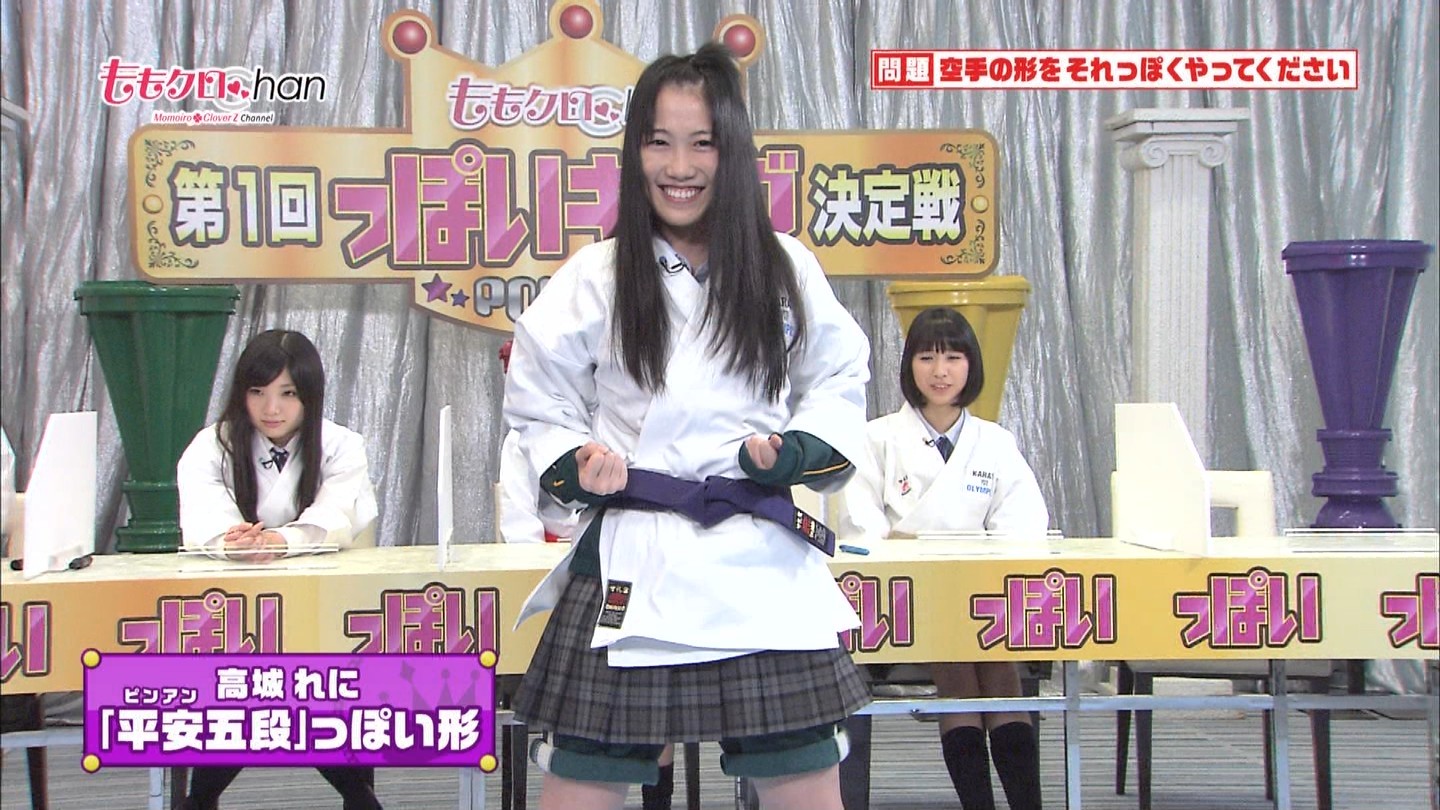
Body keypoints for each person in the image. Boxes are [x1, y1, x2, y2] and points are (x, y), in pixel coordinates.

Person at [502, 42, 872, 810]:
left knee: (804, 779)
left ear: (732, 151)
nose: (680, 166)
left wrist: (793, 453)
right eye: (659, 142)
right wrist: (578, 461)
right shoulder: (598, 275)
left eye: (702, 143)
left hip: (758, 555)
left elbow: (838, 381)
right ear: (634, 152)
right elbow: (537, 398)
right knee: (583, 780)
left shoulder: (785, 267)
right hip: (636, 550)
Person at [841, 306, 1047, 810]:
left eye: (953, 358)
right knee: (959, 649)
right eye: (927, 357)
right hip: (906, 603)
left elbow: (1023, 526)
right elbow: (862, 529)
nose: (940, 371)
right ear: (909, 364)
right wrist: (913, 549)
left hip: (982, 599)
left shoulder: (995, 442)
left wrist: (934, 544)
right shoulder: (876, 438)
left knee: (990, 656)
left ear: (971, 365)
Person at [175, 328, 382, 810]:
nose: (272, 408)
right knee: (243, 683)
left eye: (288, 393)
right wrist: (234, 543)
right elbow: (204, 515)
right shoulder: (212, 445)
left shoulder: (341, 445)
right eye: (258, 392)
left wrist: (280, 541)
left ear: (309, 395)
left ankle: (201, 800)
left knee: (311, 680)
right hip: (234, 614)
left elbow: (337, 516)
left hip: (323, 612)